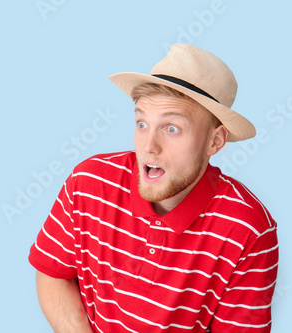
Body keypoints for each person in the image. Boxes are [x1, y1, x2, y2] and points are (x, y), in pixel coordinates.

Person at [28, 43, 279, 332]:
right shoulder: (87, 182)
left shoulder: (248, 228)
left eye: (172, 128)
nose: (149, 147)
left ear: (215, 141)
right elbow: (53, 272)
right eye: (142, 123)